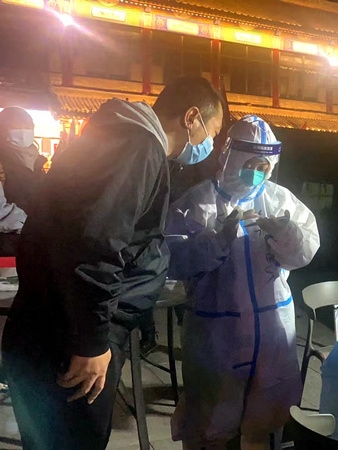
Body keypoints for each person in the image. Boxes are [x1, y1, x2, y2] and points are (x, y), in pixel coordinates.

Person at [1, 75, 224, 450]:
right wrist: (90, 343)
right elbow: (96, 244)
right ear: (191, 118)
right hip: (69, 342)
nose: (209, 145)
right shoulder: (138, 147)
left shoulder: (120, 138)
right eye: (212, 132)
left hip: (54, 329)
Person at [166, 115, 319, 450]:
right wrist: (215, 241)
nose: (257, 173)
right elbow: (172, 260)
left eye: (264, 167)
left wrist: (286, 234)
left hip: (272, 330)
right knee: (211, 421)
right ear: (231, 158)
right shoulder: (197, 203)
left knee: (265, 421)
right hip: (218, 335)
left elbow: (305, 251)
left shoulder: (279, 200)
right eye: (250, 164)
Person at [0, 107, 48, 214]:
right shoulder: (2, 163)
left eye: (27, 127)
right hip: (15, 223)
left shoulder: (37, 162)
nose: (23, 132)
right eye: (15, 127)